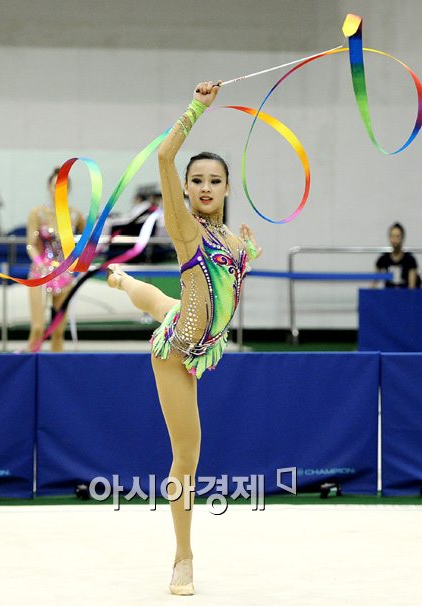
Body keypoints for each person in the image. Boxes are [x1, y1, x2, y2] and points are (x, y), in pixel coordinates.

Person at [106, 81, 262, 595]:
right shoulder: (185, 228)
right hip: (176, 352)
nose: (205, 187)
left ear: (227, 188)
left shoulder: (232, 240)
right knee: (188, 458)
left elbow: (226, 285)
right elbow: (165, 156)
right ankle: (183, 557)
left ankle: (123, 281)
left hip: (198, 331)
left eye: (215, 180)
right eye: (196, 180)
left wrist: (249, 256)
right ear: (187, 189)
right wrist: (197, 108)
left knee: (158, 300)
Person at [26, 168, 85, 352]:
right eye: (55, 185)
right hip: (40, 273)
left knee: (58, 331)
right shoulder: (37, 213)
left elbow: (85, 244)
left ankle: (55, 366)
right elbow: (30, 244)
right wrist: (40, 263)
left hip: (64, 274)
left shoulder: (75, 215)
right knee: (38, 328)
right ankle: (30, 364)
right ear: (49, 187)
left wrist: (77, 261)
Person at [373, 222, 418, 288]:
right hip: (388, 293)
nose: (394, 239)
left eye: (397, 236)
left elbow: (412, 286)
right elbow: (374, 282)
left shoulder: (410, 259)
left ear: (402, 237)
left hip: (404, 293)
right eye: (392, 236)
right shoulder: (383, 259)